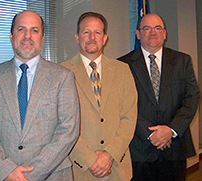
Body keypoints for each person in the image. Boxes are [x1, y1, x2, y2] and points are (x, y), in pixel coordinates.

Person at [0, 10, 80, 181]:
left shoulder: (63, 77)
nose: (27, 36)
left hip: (51, 175)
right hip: (3, 176)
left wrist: (31, 174)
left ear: (42, 38)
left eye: (34, 30)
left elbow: (68, 130)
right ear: (11, 35)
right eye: (21, 29)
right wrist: (6, 170)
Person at [118, 13, 200, 181]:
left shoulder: (182, 61)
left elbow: (192, 98)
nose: (152, 33)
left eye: (157, 28)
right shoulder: (122, 65)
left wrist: (170, 130)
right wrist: (151, 134)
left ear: (165, 33)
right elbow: (121, 104)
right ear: (138, 34)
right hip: (139, 149)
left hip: (175, 148)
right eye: (146, 28)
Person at [61, 12, 137, 181]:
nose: (92, 37)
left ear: (104, 38)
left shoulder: (123, 70)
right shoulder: (61, 73)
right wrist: (89, 159)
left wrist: (110, 155)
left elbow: (129, 118)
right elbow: (61, 124)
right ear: (77, 37)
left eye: (97, 32)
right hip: (79, 169)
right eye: (86, 32)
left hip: (117, 167)